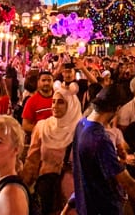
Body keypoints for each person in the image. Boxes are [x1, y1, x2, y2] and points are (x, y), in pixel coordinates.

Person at [71, 85, 135, 215]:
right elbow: (128, 183)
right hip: (103, 209)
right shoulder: (100, 138)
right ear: (118, 108)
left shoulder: (81, 125)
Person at [22, 81, 81, 215]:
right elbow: (32, 161)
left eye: (60, 102)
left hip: (72, 194)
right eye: (53, 101)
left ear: (71, 105)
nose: (54, 106)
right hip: (47, 190)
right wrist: (22, 186)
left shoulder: (81, 131)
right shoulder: (42, 127)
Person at [22, 71, 54, 136]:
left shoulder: (59, 98)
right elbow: (25, 125)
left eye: (49, 80)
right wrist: (43, 130)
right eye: (43, 80)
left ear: (53, 82)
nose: (46, 83)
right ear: (38, 82)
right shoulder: (31, 101)